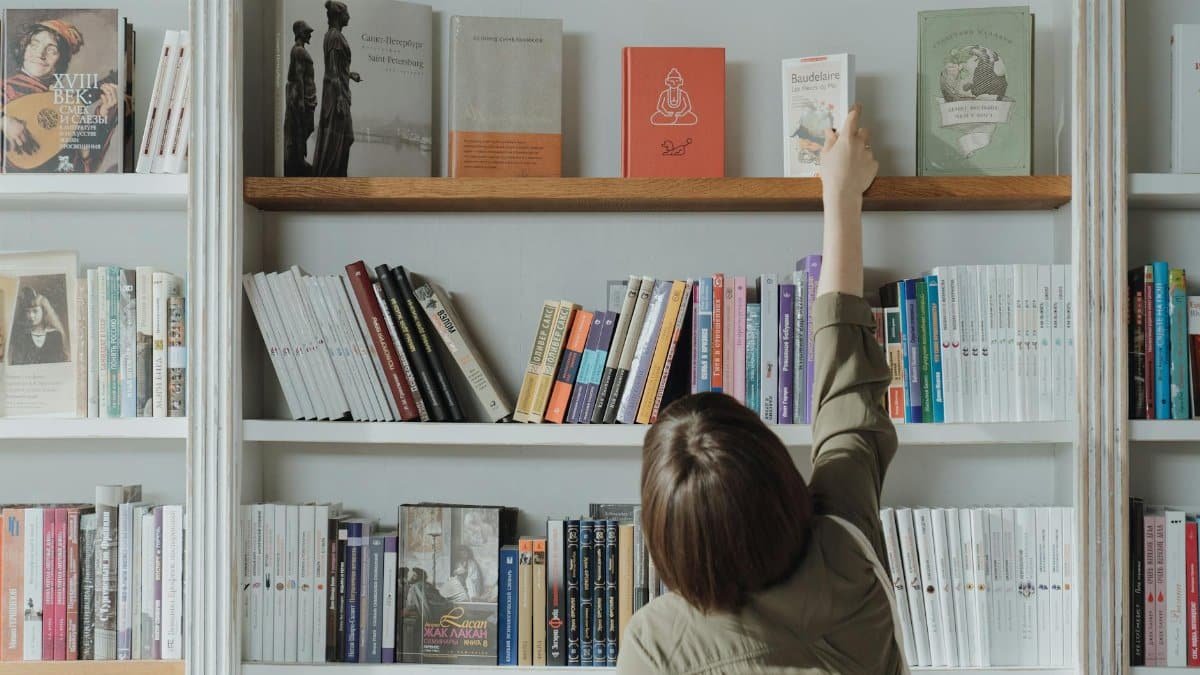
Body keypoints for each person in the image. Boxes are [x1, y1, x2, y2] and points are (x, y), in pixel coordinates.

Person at [618, 104, 905, 674]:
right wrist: (842, 193)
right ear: (778, 477)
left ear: (667, 536)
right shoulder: (845, 550)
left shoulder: (656, 645)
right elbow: (845, 386)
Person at [1, 19, 120, 172]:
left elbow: (83, 166)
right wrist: (4, 120)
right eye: (34, 44)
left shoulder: (66, 104)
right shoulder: (4, 87)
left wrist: (103, 117)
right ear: (24, 48)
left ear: (61, 60)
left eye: (51, 50)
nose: (40, 54)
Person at [312, 0, 361, 177]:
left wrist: (349, 74)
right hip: (336, 95)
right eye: (347, 13)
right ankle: (332, 177)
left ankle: (338, 175)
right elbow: (332, 70)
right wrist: (340, 98)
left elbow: (335, 68)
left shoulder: (332, 35)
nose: (349, 17)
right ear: (339, 16)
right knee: (341, 138)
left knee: (343, 137)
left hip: (336, 91)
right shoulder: (335, 37)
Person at [284, 19, 318, 177]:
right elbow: (298, 78)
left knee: (304, 130)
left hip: (307, 99)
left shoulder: (299, 50)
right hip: (303, 100)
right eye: (307, 32)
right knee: (300, 130)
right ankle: (296, 162)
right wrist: (300, 102)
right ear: (300, 33)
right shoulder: (298, 51)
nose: (310, 35)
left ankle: (297, 160)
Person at [9, 285, 68, 366]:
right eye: (27, 312)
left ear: (44, 311)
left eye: (35, 311)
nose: (31, 316)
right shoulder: (21, 336)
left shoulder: (55, 335)